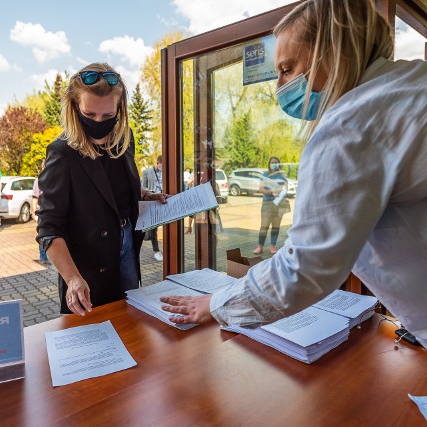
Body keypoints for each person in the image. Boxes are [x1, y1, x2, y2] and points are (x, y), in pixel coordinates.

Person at [160, 0, 427, 347]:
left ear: (333, 50)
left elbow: (305, 267)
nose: (279, 86)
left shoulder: (351, 124)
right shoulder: (408, 84)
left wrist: (216, 304)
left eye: (287, 68)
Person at [36, 62, 169, 316]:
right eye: (90, 115)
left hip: (127, 245)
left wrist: (142, 194)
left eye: (108, 116)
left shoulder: (124, 139)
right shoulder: (62, 152)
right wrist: (72, 279)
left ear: (120, 109)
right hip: (88, 264)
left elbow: (113, 187)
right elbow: (48, 228)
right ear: (75, 109)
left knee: (130, 317)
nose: (99, 122)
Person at [253, 157, 288, 255]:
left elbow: (286, 188)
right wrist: (270, 192)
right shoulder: (265, 175)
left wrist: (280, 192)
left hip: (279, 203)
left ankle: (272, 246)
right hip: (267, 203)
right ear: (269, 164)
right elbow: (260, 189)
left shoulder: (282, 175)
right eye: (272, 162)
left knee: (276, 226)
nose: (274, 164)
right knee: (264, 226)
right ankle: (260, 246)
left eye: (276, 162)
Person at [141, 155, 164, 261]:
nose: (162, 168)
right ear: (158, 163)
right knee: (154, 228)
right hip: (153, 203)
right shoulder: (147, 172)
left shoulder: (164, 172)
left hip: (163, 201)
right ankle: (156, 250)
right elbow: (143, 188)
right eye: (161, 166)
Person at [31, 174, 50, 266]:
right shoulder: (39, 179)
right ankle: (43, 257)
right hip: (42, 212)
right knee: (43, 235)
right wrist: (34, 212)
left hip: (56, 212)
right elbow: (35, 197)